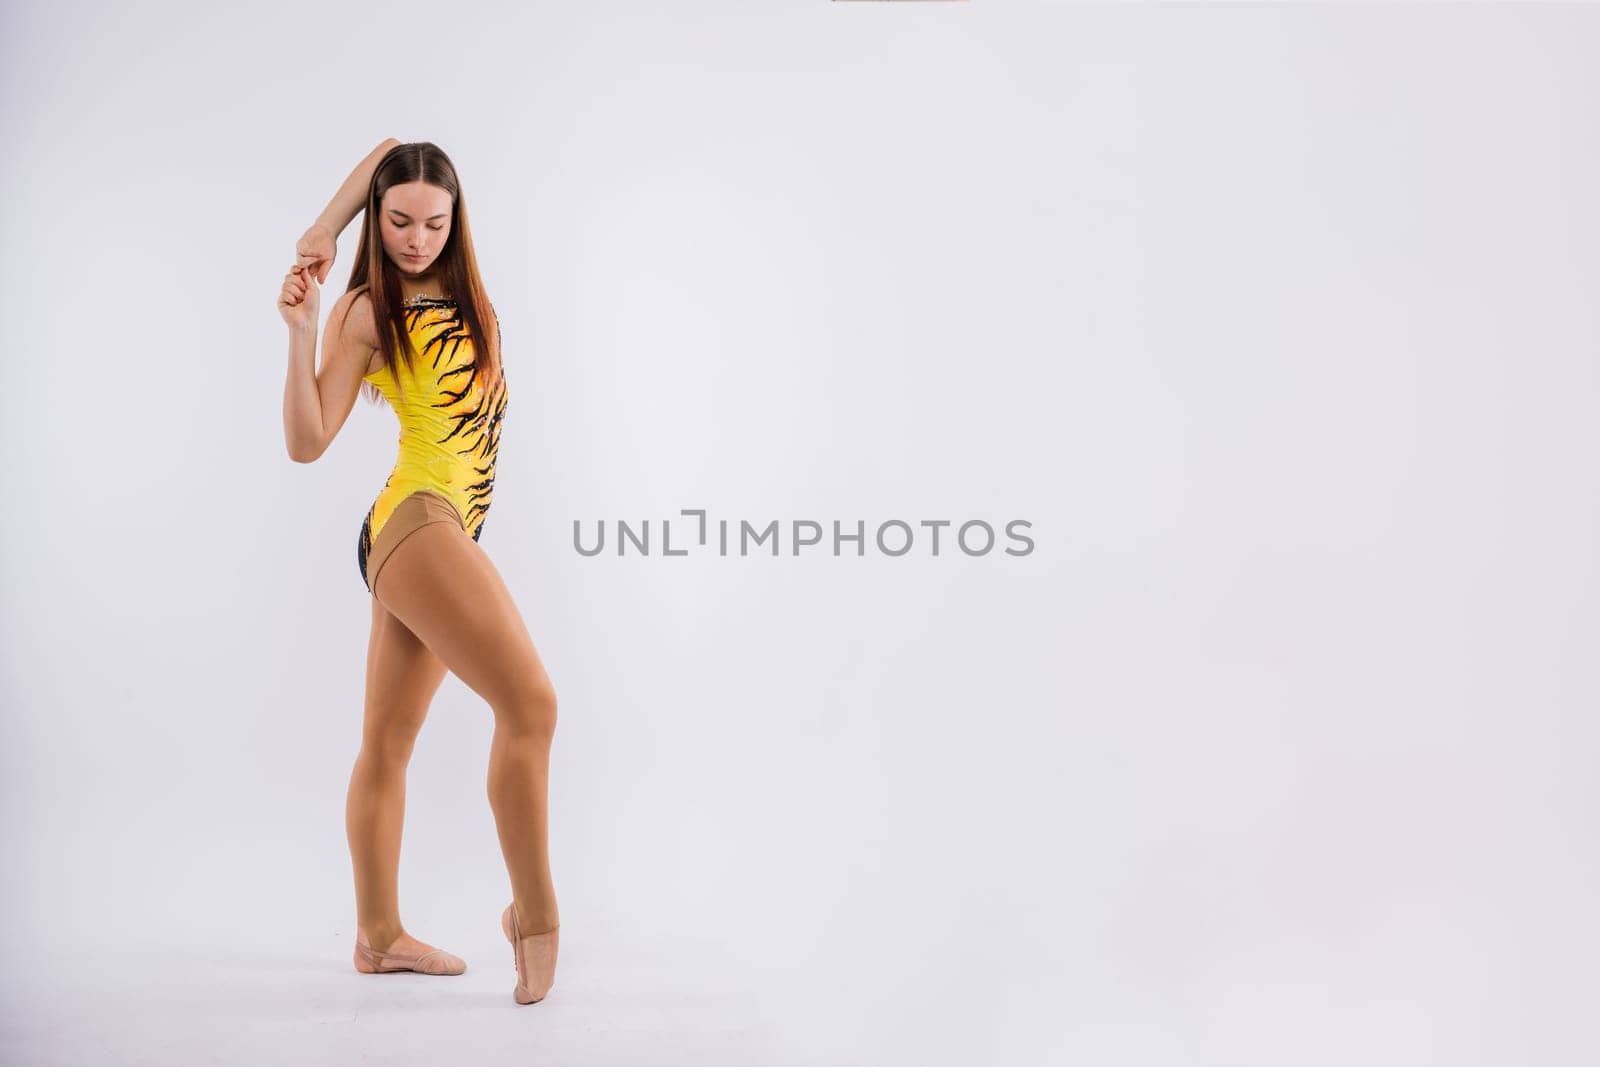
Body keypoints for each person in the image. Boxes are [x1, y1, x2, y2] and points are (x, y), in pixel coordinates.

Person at [278, 139, 560, 1005]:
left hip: (448, 534)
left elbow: (397, 152)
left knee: (388, 745)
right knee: (532, 703)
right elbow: (308, 440)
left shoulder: (471, 297)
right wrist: (313, 274)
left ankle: (378, 938)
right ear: (378, 218)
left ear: (456, 218)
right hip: (416, 517)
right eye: (396, 219)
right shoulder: (368, 307)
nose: (414, 237)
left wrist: (354, 208)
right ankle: (537, 916)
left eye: (434, 222)